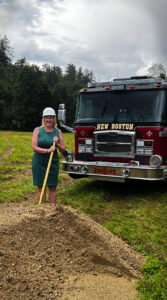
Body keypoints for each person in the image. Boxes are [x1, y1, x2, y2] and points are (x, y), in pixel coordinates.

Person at [32, 107, 65, 204]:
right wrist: (48, 150)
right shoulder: (37, 130)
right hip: (39, 162)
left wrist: (57, 143)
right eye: (47, 117)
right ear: (43, 119)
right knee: (41, 187)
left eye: (51, 117)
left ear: (54, 119)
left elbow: (63, 150)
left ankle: (52, 212)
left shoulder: (58, 131)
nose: (49, 120)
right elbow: (34, 147)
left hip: (52, 163)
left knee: (53, 187)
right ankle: (42, 211)